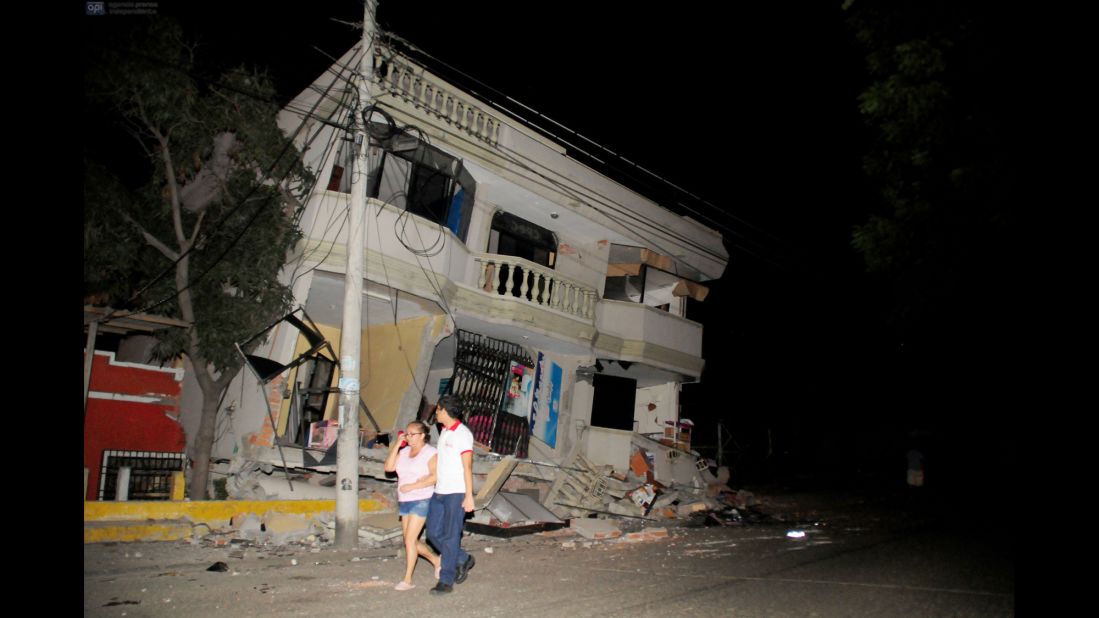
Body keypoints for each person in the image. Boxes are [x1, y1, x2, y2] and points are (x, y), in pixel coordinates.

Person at [425, 395, 476, 595]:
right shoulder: (445, 430)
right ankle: (463, 558)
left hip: (456, 492)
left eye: (437, 409)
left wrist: (468, 495)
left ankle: (446, 580)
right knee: (433, 534)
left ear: (444, 410)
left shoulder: (462, 434)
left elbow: (467, 466)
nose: (435, 413)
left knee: (450, 536)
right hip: (439, 491)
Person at [383, 420, 441, 591]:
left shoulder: (430, 453)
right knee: (410, 540)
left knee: (409, 540)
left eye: (412, 434)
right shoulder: (405, 451)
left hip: (421, 499)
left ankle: (407, 580)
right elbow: (389, 467)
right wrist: (396, 446)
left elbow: (435, 476)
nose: (408, 437)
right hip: (405, 500)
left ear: (423, 436)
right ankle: (436, 560)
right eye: (406, 434)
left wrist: (413, 486)